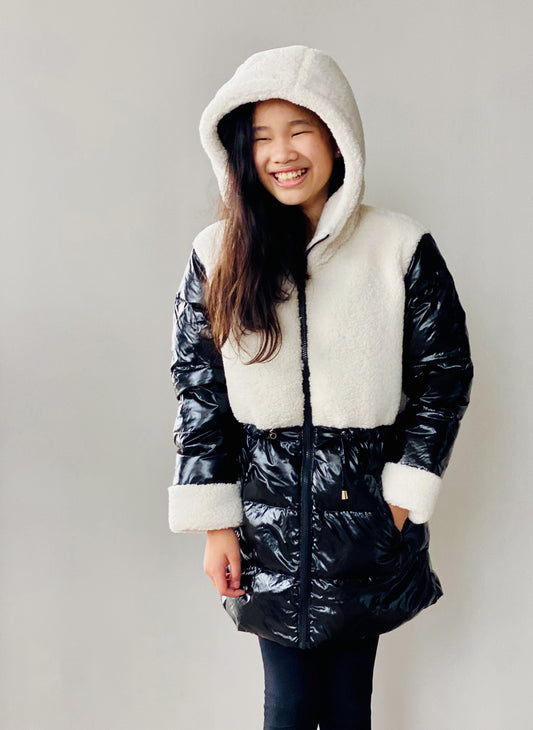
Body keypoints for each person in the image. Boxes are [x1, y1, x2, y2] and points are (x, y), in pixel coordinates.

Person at [167, 45, 474, 730]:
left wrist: (400, 497)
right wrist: (216, 523)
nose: (282, 153)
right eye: (262, 137)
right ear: (240, 151)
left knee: (345, 705)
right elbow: (200, 392)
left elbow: (443, 374)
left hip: (365, 513)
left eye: (299, 130)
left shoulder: (397, 246)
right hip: (264, 520)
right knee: (288, 707)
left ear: (337, 138)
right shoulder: (217, 253)